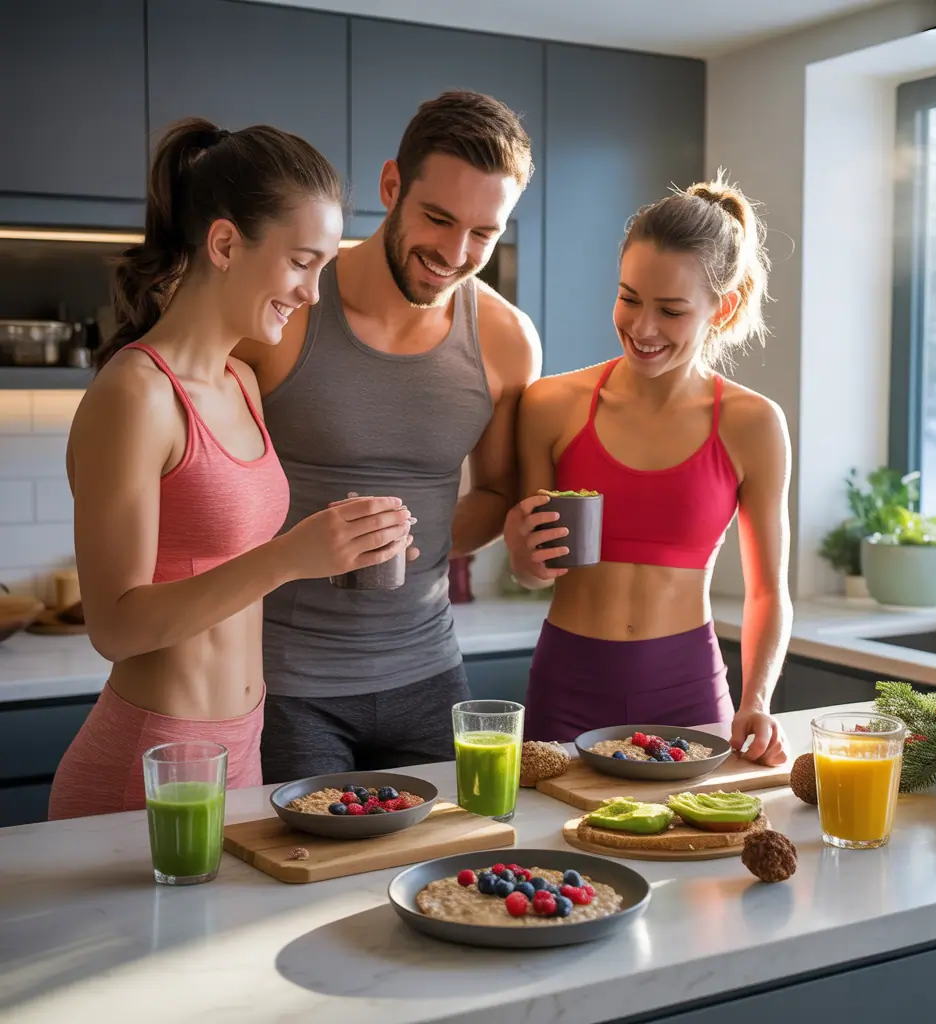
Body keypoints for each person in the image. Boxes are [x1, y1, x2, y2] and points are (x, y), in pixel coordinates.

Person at [48, 118, 414, 820]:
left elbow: (229, 563)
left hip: (240, 752)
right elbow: (115, 627)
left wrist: (345, 547)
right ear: (224, 243)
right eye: (302, 262)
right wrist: (288, 558)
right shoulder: (136, 394)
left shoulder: (242, 381)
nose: (312, 293)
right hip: (151, 764)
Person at [235, 90, 542, 783]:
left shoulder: (506, 340)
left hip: (431, 674)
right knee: (310, 883)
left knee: (457, 878)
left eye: (484, 235)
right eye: (438, 218)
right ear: (390, 185)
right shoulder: (287, 313)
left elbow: (495, 489)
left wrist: (419, 538)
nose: (455, 253)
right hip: (284, 683)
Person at [504, 173, 792, 766]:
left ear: (724, 306)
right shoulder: (548, 405)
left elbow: (768, 590)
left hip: (686, 691)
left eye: (671, 310)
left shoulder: (753, 423)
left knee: (686, 853)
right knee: (552, 854)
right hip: (566, 684)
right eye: (630, 297)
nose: (642, 327)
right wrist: (522, 556)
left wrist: (756, 698)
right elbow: (534, 575)